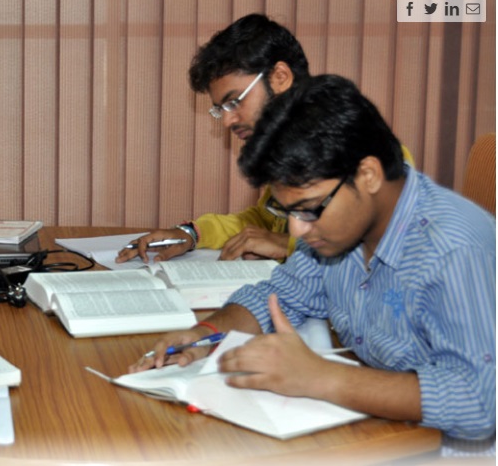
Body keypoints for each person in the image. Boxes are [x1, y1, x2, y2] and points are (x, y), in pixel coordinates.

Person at [133, 75, 495, 451]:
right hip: (376, 430)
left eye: (308, 209)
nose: (296, 229)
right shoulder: (341, 229)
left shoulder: (454, 247)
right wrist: (207, 332)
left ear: (367, 175)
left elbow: (480, 403)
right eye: (287, 211)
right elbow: (280, 294)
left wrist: (322, 377)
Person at [116, 13, 413, 264]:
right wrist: (192, 234)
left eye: (235, 102)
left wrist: (288, 246)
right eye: (221, 110)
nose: (229, 120)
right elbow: (262, 221)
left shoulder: (359, 144)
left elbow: (397, 244)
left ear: (280, 77)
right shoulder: (285, 148)